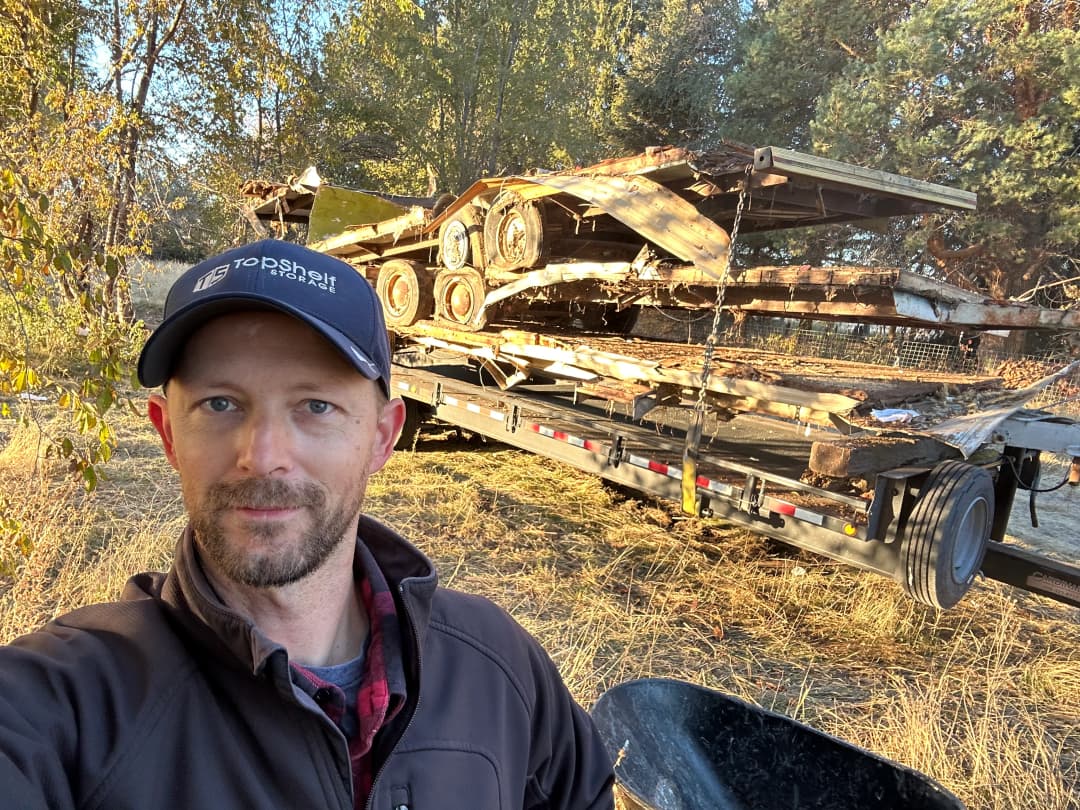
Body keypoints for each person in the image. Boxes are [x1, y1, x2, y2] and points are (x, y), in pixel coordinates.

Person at [0, 240, 615, 810]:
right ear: (167, 433)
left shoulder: (498, 665)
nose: (263, 454)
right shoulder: (72, 701)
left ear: (381, 437)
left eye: (315, 406)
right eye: (221, 404)